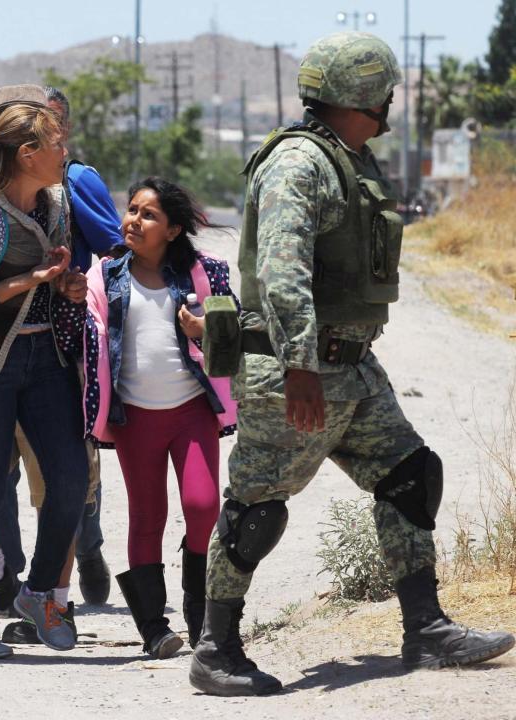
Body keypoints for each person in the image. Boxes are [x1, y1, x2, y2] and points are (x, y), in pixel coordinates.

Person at [188, 32, 515, 696]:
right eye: (386, 91)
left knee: (409, 475)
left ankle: (424, 629)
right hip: (292, 373)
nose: (392, 101)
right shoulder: (299, 164)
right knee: (256, 509)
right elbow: (281, 276)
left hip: (354, 372)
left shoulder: (349, 160)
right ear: (366, 94)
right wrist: (301, 365)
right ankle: (215, 649)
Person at [0, 84, 122, 640]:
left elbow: (58, 277)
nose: (68, 153)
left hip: (46, 359)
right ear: (27, 155)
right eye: (58, 144)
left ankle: (39, 595)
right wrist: (25, 280)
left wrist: (66, 283)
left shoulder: (57, 203)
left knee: (69, 481)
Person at [82, 177, 238, 658]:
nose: (133, 220)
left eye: (148, 214)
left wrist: (205, 327)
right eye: (131, 210)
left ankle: (198, 613)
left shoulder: (204, 273)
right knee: (147, 515)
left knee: (203, 505)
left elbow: (232, 334)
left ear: (172, 230)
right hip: (136, 420)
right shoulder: (104, 276)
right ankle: (153, 627)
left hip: (192, 411)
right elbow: (88, 340)